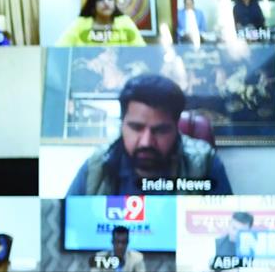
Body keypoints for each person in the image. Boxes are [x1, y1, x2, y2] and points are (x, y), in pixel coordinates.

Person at [66, 74, 232, 196]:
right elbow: (68, 229)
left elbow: (224, 232)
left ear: (176, 128)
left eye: (160, 130)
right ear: (122, 125)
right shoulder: (96, 167)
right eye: (136, 128)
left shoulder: (205, 163)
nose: (146, 142)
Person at [56, 0, 145, 46]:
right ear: (93, 3)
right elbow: (61, 48)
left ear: (115, 2)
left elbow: (141, 50)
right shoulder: (80, 24)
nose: (106, 2)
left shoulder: (125, 22)